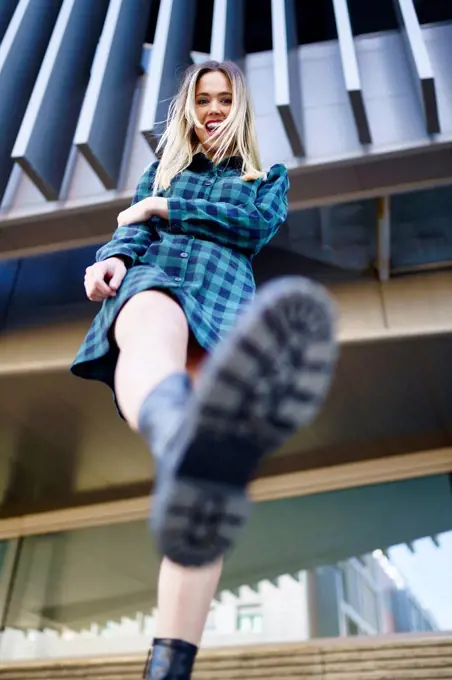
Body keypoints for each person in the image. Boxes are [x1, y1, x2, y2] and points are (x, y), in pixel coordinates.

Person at [71, 61, 337, 679]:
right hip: (155, 276)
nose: (213, 109)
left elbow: (252, 226)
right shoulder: (159, 171)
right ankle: (178, 433)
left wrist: (164, 206)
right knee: (147, 331)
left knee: (202, 495)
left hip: (224, 301)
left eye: (224, 100)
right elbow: (128, 236)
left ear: (238, 108)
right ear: (188, 109)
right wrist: (106, 262)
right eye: (203, 100)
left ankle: (168, 667)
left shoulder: (263, 178)